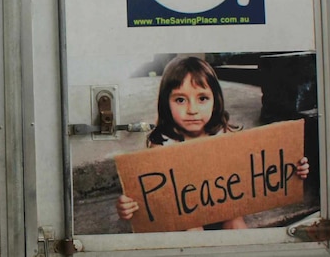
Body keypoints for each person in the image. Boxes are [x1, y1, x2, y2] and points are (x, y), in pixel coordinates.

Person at [116, 56, 309, 230]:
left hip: (225, 208)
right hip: (186, 216)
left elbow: (261, 169)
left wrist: (294, 169)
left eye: (202, 98)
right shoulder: (161, 143)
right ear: (166, 103)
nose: (192, 110)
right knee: (192, 230)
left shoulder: (224, 134)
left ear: (215, 101)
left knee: (235, 224)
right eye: (181, 100)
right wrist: (128, 205)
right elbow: (148, 192)